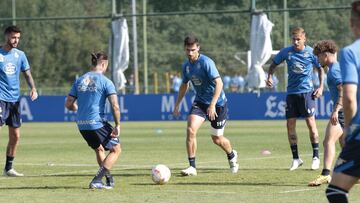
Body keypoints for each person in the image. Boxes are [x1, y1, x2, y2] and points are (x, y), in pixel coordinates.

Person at [173, 35, 239, 176]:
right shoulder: (186, 66)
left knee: (217, 139)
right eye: (187, 50)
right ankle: (192, 167)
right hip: (201, 102)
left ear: (198, 48)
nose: (190, 53)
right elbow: (184, 85)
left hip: (218, 104)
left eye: (193, 50)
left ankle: (232, 154)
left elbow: (219, 83)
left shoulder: (206, 62)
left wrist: (213, 104)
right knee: (191, 130)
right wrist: (177, 105)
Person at [265, 27, 325, 171]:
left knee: (311, 124)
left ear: (304, 39)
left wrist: (321, 86)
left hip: (307, 93)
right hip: (291, 94)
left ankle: (316, 157)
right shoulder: (286, 52)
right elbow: (273, 65)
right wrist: (269, 77)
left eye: (298, 39)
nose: (296, 41)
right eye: (294, 39)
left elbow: (321, 68)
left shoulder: (311, 52)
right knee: (290, 125)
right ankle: (296, 158)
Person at [65, 52, 121, 189]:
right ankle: (97, 180)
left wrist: (77, 108)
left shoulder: (80, 80)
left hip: (82, 125)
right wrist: (118, 125)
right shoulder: (106, 81)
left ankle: (108, 179)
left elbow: (68, 104)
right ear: (103, 64)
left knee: (99, 149)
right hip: (97, 123)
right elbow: (115, 105)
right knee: (116, 149)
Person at [326, 1, 360, 202]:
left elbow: (348, 97)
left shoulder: (350, 52)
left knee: (336, 190)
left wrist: (348, 129)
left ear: (351, 22)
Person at [0, 25, 38, 177]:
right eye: (13, 37)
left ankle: (8, 168)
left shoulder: (20, 55)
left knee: (15, 136)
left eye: (18, 38)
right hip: (0, 98)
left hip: (15, 100)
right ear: (6, 36)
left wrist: (33, 88)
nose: (16, 40)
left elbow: (27, 74)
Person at [308, 40, 344, 186]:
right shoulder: (337, 68)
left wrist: (336, 110)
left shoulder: (334, 70)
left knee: (328, 141)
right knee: (345, 143)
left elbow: (343, 89)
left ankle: (325, 175)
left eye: (318, 56)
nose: (317, 60)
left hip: (343, 111)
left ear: (325, 55)